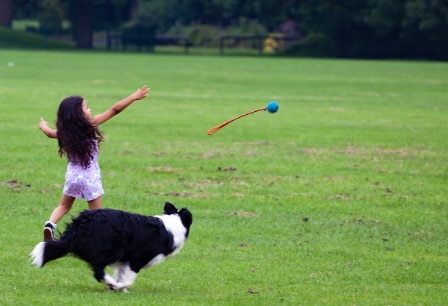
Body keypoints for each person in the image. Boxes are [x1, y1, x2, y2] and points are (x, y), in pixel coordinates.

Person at [38, 85, 150, 240]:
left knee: (63, 206)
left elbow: (50, 133)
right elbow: (114, 110)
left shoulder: (64, 132)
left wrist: (42, 125)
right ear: (78, 114)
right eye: (87, 107)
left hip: (72, 176)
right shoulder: (91, 125)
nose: (90, 110)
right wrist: (133, 97)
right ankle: (91, 239)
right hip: (90, 177)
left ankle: (50, 224)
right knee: (95, 214)